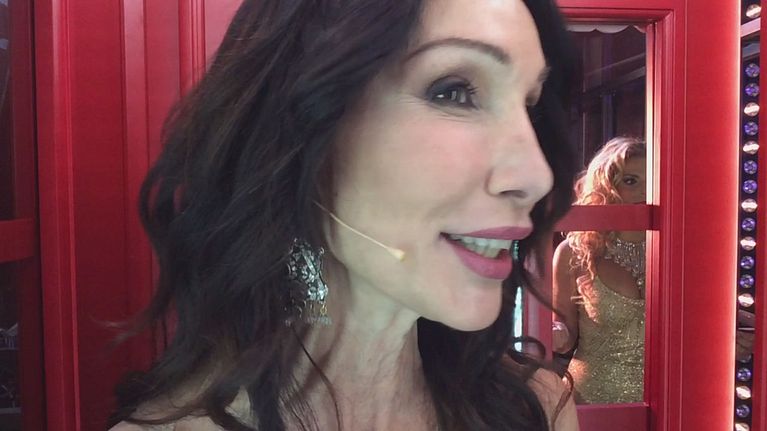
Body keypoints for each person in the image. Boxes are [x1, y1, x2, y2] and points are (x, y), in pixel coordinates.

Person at [109, 0, 581, 429]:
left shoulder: (537, 410)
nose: (537, 176)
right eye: (454, 91)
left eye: (530, 106)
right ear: (303, 129)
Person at [551, 137, 646, 404]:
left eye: (654, 181)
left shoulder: (683, 252)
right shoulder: (575, 252)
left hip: (671, 406)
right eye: (631, 181)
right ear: (607, 187)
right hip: (590, 403)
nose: (645, 191)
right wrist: (554, 333)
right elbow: (564, 336)